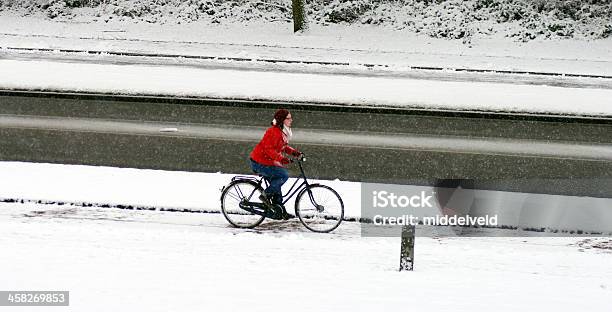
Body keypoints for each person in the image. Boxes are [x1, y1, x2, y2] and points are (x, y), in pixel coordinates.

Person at [249, 109, 302, 219]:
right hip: (259, 162)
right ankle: (265, 195)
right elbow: (269, 149)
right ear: (282, 120)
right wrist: (281, 159)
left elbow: (282, 146)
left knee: (276, 183)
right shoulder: (273, 132)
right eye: (289, 118)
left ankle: (279, 211)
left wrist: (294, 153)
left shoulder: (282, 131)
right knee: (283, 175)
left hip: (268, 161)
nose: (291, 120)